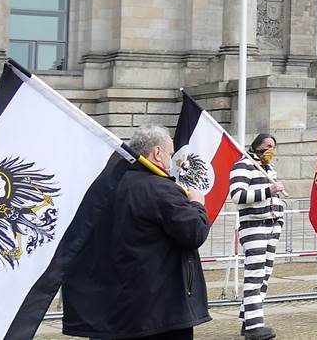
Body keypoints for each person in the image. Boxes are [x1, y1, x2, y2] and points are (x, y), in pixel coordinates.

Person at [61, 124, 211, 340]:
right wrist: (197, 204)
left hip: (110, 308)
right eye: (169, 154)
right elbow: (194, 232)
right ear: (157, 153)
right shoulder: (160, 188)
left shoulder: (105, 185)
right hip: (158, 311)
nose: (171, 162)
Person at [230, 131, 286, 340]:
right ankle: (254, 326)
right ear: (256, 146)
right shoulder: (243, 165)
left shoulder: (268, 168)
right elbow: (237, 196)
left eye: (273, 146)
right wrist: (268, 191)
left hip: (271, 225)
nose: (270, 150)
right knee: (254, 275)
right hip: (254, 225)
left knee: (263, 276)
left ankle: (248, 319)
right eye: (267, 145)